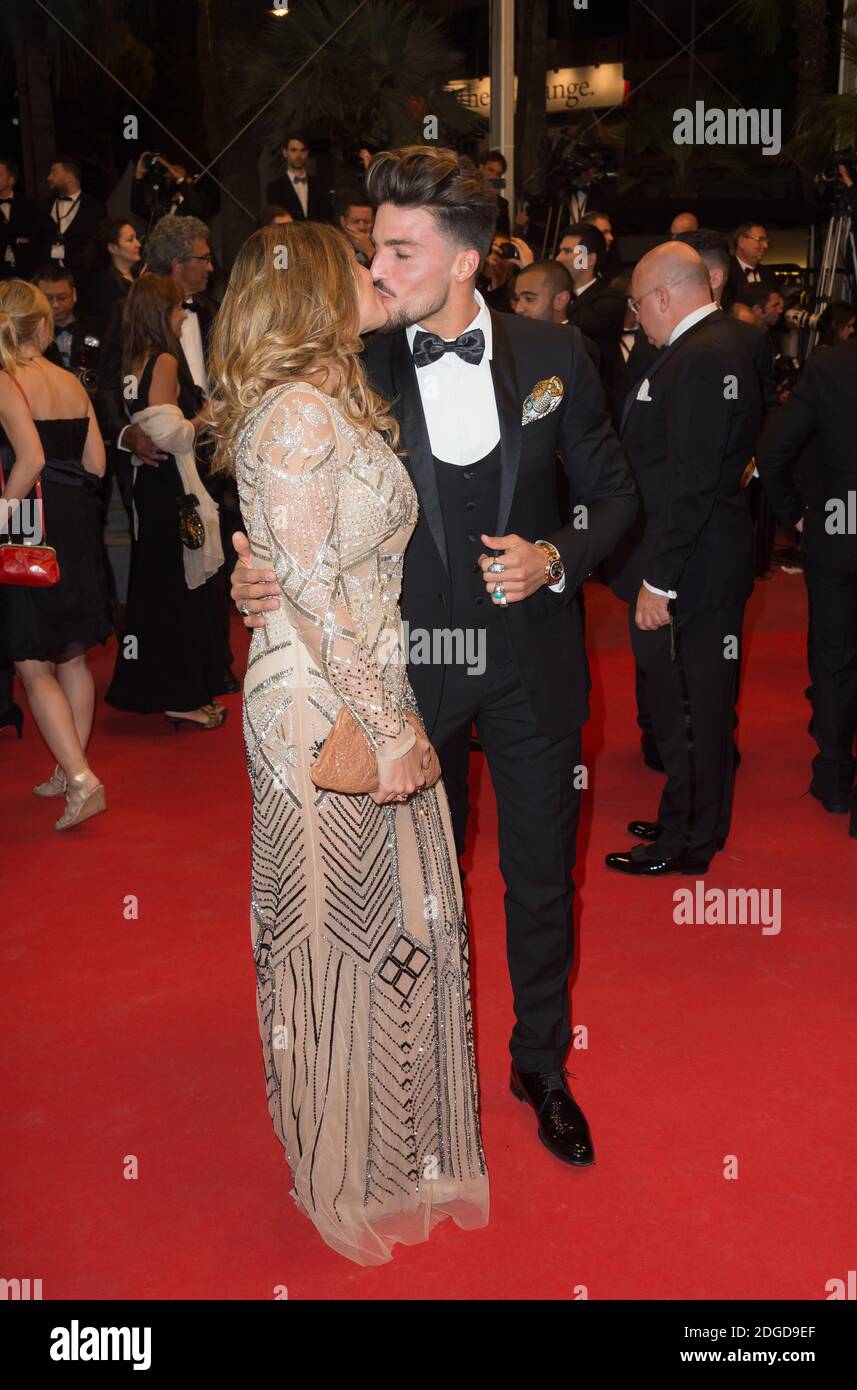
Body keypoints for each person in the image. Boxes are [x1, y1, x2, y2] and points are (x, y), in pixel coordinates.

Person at [231, 145, 638, 1168]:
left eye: (399, 251)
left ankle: (540, 1063)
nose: (375, 270)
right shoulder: (351, 360)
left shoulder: (555, 354)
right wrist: (254, 568)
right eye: (371, 247)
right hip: (406, 681)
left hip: (536, 664)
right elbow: (295, 501)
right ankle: (420, 1066)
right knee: (417, 887)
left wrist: (557, 553)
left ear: (465, 261)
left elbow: (617, 496)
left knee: (541, 877)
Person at [206, 220, 488, 1265]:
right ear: (313, 291)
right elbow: (313, 592)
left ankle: (386, 1145)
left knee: (395, 929)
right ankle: (339, 1162)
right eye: (355, 264)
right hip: (322, 707)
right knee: (334, 937)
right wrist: (391, 724)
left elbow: (300, 559)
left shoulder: (329, 403)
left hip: (365, 685)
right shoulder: (296, 413)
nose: (375, 277)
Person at [604, 243, 764, 875]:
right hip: (699, 555)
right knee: (690, 702)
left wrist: (658, 581)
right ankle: (692, 817)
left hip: (690, 567)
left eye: (638, 305)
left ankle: (687, 840)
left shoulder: (702, 357)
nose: (637, 317)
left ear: (663, 297)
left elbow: (692, 483)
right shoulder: (711, 347)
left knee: (689, 707)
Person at [0, 279, 111, 829]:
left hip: (28, 524)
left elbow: (29, 459)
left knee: (29, 656)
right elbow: (95, 464)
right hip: (75, 523)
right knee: (70, 653)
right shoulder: (71, 378)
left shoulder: (5, 379)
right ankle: (72, 768)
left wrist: (0, 516)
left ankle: (83, 779)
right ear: (42, 326)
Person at [105, 275, 226, 728]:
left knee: (152, 589)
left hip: (148, 487)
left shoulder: (134, 361)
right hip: (171, 486)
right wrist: (207, 417)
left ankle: (156, 686)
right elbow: (170, 435)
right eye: (178, 308)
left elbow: (146, 426)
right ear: (162, 312)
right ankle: (181, 695)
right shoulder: (165, 361)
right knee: (177, 590)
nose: (182, 315)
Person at [757, 333, 857, 838]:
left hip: (841, 530)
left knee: (835, 655)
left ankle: (836, 777)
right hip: (837, 530)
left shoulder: (830, 366)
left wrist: (797, 515)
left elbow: (773, 449)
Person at [557, 222, 627, 406]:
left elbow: (577, 326)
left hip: (599, 402)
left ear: (589, 259)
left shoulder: (611, 299)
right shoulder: (563, 296)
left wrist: (542, 285)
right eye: (560, 251)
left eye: (567, 251)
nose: (558, 258)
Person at [39, 157, 106, 274]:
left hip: (83, 279)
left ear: (69, 177)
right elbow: (36, 243)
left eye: (53, 173)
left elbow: (101, 244)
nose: (48, 178)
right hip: (49, 277)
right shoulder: (43, 206)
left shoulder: (95, 207)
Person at [80, 218, 142, 336]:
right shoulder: (102, 283)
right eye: (130, 240)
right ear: (113, 248)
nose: (138, 244)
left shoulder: (139, 276)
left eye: (136, 238)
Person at [265, 131, 333, 223]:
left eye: (302, 150)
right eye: (293, 150)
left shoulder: (320, 185)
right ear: (285, 152)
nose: (298, 155)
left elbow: (328, 220)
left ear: (307, 153)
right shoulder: (275, 188)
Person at [722, 223, 779, 309]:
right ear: (742, 242)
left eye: (766, 241)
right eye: (760, 240)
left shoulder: (769, 274)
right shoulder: (725, 271)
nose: (765, 245)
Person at [0, 157, 39, 282]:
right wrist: (16, 239)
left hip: (24, 269)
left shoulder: (28, 204)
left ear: (11, 180)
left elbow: (32, 234)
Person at [511, 259, 573, 323]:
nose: (518, 309)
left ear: (560, 300)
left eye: (529, 299)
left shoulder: (574, 332)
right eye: (517, 299)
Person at [335, 190, 375, 266]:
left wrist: (370, 251)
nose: (361, 227)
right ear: (343, 221)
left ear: (373, 221)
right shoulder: (333, 246)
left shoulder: (380, 247)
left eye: (366, 221)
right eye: (356, 221)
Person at [477, 148, 511, 234]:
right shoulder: (463, 194)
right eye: (491, 170)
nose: (494, 176)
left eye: (498, 174)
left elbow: (504, 238)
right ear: (481, 168)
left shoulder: (502, 204)